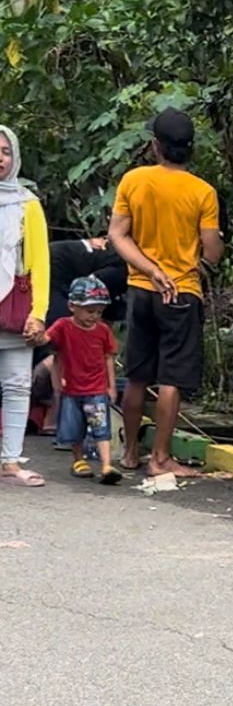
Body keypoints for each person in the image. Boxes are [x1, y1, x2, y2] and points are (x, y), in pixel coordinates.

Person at [107, 108, 223, 477]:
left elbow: (117, 235)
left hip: (141, 289)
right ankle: (159, 459)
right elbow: (211, 251)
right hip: (182, 292)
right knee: (171, 377)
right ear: (191, 149)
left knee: (139, 374)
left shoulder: (134, 180)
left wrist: (150, 269)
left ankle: (128, 453)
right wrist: (215, 243)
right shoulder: (202, 192)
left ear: (155, 146)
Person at [36, 235, 127, 434]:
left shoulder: (114, 249)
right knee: (66, 348)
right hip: (56, 275)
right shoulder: (124, 268)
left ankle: (48, 408)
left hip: (47, 266)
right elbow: (93, 292)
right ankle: (54, 414)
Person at [0, 124, 50, 487]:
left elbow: (40, 262)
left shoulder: (27, 203)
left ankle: (11, 462)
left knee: (18, 386)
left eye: (4, 151)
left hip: (13, 310)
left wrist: (39, 313)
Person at [35, 275, 121, 484]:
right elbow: (47, 339)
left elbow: (108, 358)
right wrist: (36, 332)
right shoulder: (63, 326)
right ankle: (78, 459)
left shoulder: (103, 330)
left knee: (101, 427)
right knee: (74, 427)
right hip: (72, 389)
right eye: (90, 311)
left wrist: (111, 385)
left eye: (99, 312)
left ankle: (106, 464)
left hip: (97, 388)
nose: (94, 316)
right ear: (73, 306)